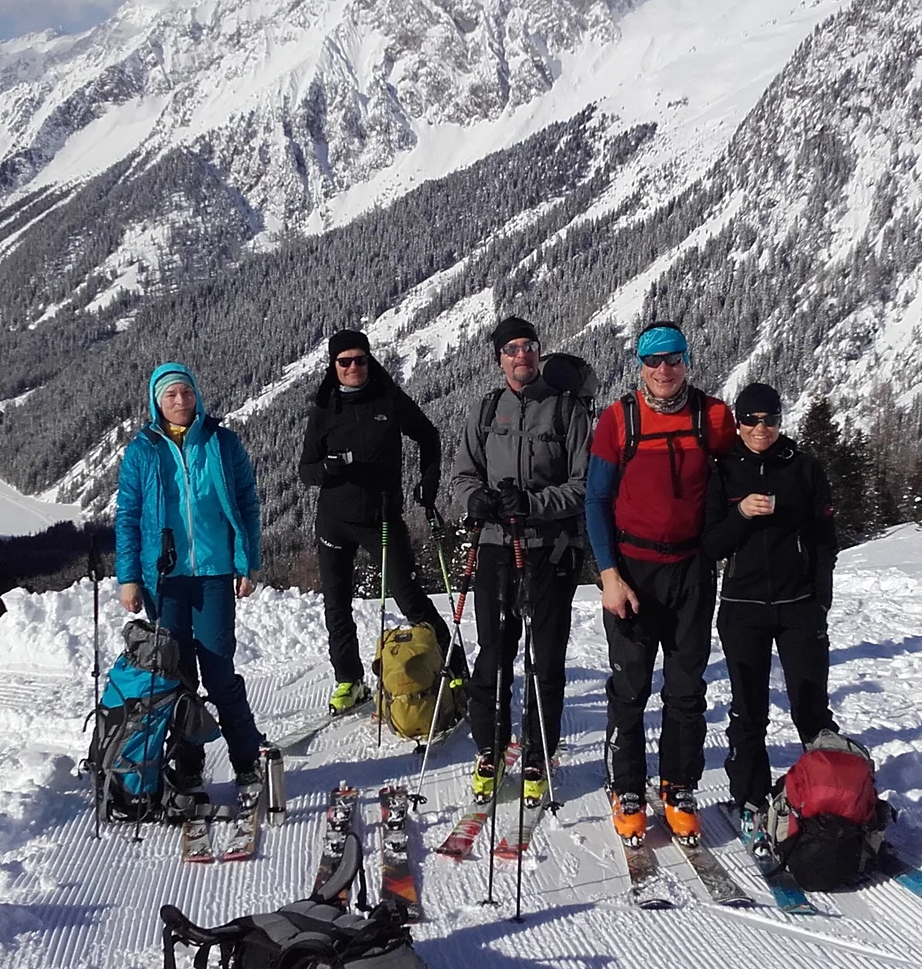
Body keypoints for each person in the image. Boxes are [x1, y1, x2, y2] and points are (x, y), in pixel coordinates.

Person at [585, 321, 736, 842]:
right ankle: (626, 784)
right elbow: (597, 501)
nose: (664, 369)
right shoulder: (618, 420)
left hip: (692, 569)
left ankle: (679, 784)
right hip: (632, 570)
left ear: (687, 360)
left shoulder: (713, 417)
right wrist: (608, 575)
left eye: (673, 358)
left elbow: (738, 478)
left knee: (686, 687)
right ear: (640, 367)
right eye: (653, 360)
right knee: (629, 687)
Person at [448, 316, 591, 806]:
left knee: (544, 658)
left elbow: (582, 484)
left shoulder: (567, 411)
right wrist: (478, 502)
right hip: (494, 547)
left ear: (538, 351)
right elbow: (464, 473)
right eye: (511, 349)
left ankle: (537, 751)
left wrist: (533, 504)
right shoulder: (486, 409)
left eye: (529, 346)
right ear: (499, 357)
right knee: (494, 654)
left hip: (548, 549)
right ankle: (490, 748)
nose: (521, 355)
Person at [116, 362, 266, 802]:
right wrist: (128, 578)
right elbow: (127, 518)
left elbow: (246, 506)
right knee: (176, 678)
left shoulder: (222, 442)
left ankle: (247, 761)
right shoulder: (142, 451)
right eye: (170, 395)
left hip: (216, 574)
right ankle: (189, 768)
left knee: (220, 674)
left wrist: (247, 563)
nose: (180, 401)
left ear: (196, 394)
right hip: (163, 581)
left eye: (186, 392)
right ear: (156, 402)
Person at [702, 381, 840, 850]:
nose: (761, 429)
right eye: (751, 420)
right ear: (738, 422)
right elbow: (710, 545)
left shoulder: (803, 466)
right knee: (749, 710)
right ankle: (750, 798)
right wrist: (740, 513)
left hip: (799, 605)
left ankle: (828, 792)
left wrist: (821, 598)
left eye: (770, 419)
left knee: (811, 707)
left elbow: (825, 539)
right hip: (742, 607)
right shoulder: (722, 471)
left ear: (781, 420)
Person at [298, 329, 452, 714]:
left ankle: (452, 667)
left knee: (410, 598)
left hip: (381, 517)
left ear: (370, 360)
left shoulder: (387, 398)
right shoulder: (324, 408)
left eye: (360, 359)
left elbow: (428, 436)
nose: (353, 367)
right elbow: (306, 469)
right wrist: (328, 469)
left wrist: (428, 482)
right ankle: (348, 680)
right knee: (336, 605)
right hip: (333, 519)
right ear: (333, 367)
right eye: (344, 361)